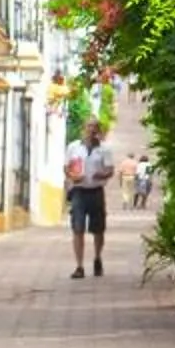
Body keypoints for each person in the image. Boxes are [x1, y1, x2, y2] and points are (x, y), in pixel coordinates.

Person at [66, 120, 111, 280]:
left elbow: (110, 170)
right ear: (83, 129)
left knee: (98, 229)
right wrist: (72, 176)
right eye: (89, 127)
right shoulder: (73, 147)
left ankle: (97, 257)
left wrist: (102, 175)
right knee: (77, 228)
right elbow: (66, 167)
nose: (91, 130)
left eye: (95, 127)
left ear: (98, 131)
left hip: (96, 191)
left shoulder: (105, 149)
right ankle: (79, 266)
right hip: (78, 191)